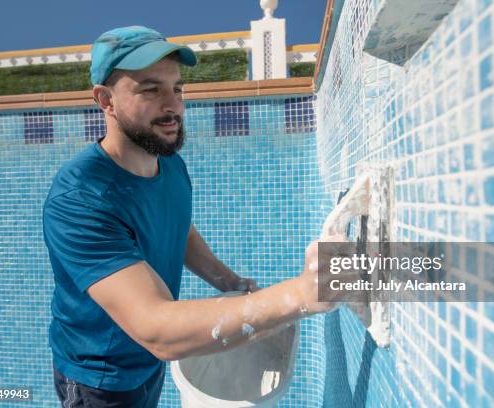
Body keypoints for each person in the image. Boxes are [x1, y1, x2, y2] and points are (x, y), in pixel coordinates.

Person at [43, 26, 333, 408]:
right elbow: (157, 329)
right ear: (106, 100)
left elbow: (175, 225)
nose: (173, 106)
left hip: (150, 364)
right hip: (101, 380)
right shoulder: (80, 197)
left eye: (177, 89)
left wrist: (225, 278)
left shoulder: (170, 166)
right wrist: (303, 293)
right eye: (151, 89)